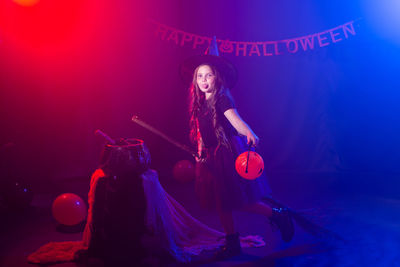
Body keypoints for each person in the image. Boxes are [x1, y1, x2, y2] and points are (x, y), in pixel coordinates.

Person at [183, 37, 295, 259]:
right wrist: (199, 153)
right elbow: (201, 132)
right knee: (220, 202)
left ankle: (277, 214)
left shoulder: (222, 100)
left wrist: (249, 132)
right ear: (195, 80)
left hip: (227, 154)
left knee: (240, 200)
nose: (204, 80)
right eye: (200, 76)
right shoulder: (198, 103)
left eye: (209, 75)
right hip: (210, 157)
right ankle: (232, 242)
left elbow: (236, 121)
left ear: (218, 77)